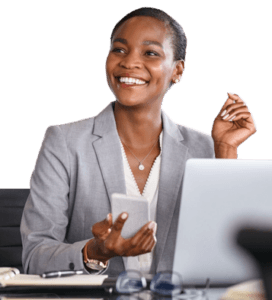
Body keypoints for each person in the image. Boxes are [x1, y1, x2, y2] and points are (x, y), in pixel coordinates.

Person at [20, 6, 257, 276]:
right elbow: (35, 256)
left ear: (177, 70)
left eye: (150, 53)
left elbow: (231, 254)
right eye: (119, 49)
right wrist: (96, 252)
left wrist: (225, 150)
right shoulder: (64, 142)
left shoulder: (205, 148)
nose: (129, 62)